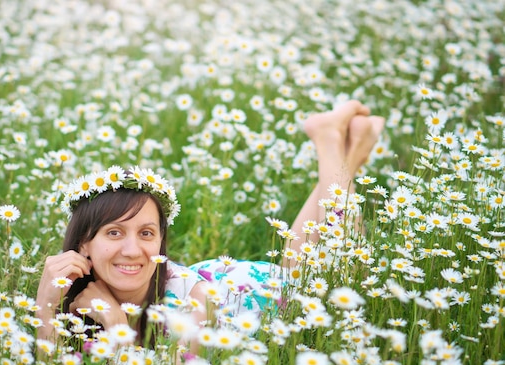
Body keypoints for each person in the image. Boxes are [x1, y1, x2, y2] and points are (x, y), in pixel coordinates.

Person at [35, 100, 385, 349]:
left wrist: (114, 323)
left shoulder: (194, 305)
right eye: (114, 232)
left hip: (249, 296)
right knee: (300, 265)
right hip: (225, 281)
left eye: (146, 233)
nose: (132, 250)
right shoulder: (75, 299)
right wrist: (45, 306)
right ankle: (344, 150)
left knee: (337, 280)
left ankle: (332, 145)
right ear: (83, 243)